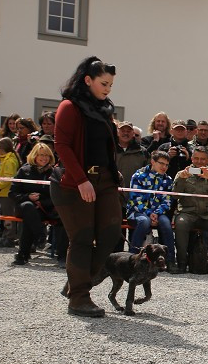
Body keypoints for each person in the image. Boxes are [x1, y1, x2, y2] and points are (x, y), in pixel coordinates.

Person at [50, 57, 122, 317]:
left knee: (111, 234)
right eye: (104, 83)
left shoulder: (104, 109)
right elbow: (62, 146)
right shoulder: (69, 107)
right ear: (88, 80)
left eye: (111, 85)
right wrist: (81, 180)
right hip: (73, 182)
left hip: (104, 180)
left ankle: (76, 280)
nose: (108, 89)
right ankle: (79, 298)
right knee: (81, 239)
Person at [171, 146, 208, 274]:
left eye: (202, 159)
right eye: (196, 158)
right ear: (191, 159)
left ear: (207, 160)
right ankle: (181, 263)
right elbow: (175, 195)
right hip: (188, 213)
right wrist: (182, 179)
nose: (199, 162)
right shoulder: (182, 174)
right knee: (180, 224)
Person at [11, 143, 64, 266]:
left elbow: (59, 194)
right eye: (41, 155)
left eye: (47, 155)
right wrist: (27, 197)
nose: (44, 158)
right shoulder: (24, 170)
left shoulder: (55, 172)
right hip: (25, 206)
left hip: (47, 208)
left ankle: (63, 257)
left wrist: (42, 201)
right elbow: (12, 193)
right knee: (29, 210)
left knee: (62, 219)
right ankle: (40, 236)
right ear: (35, 155)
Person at [126, 150, 175, 266]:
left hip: (158, 213)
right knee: (144, 222)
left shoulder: (167, 180)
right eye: (161, 163)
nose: (164, 167)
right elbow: (135, 200)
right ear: (153, 161)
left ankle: (170, 260)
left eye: (167, 165)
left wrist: (157, 213)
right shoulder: (138, 176)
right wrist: (149, 213)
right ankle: (132, 258)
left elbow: (167, 201)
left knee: (166, 224)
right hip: (137, 211)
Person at [0, 137, 20, 247]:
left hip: (6, 192)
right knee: (5, 215)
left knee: (8, 215)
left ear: (1, 148)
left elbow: (8, 177)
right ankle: (6, 236)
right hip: (3, 192)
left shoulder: (9, 161)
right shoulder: (5, 159)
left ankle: (10, 237)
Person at [115, 122, 148, 187]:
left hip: (134, 193)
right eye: (123, 131)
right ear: (117, 132)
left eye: (128, 131)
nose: (125, 133)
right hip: (113, 192)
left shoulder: (142, 152)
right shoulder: (109, 149)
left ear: (133, 133)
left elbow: (148, 173)